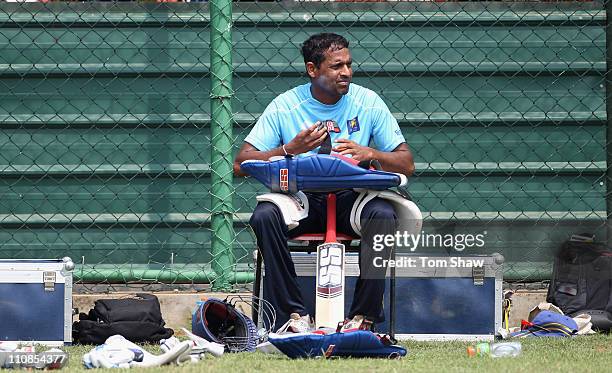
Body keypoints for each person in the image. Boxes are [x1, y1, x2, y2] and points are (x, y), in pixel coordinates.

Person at [234, 33, 415, 333]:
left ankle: (363, 319)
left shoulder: (367, 102)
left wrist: (370, 152)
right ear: (312, 69)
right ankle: (294, 316)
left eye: (348, 64)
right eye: (336, 66)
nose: (346, 72)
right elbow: (241, 164)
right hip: (301, 199)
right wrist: (288, 150)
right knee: (264, 216)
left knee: (383, 215)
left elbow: (407, 162)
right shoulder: (286, 105)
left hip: (352, 198)